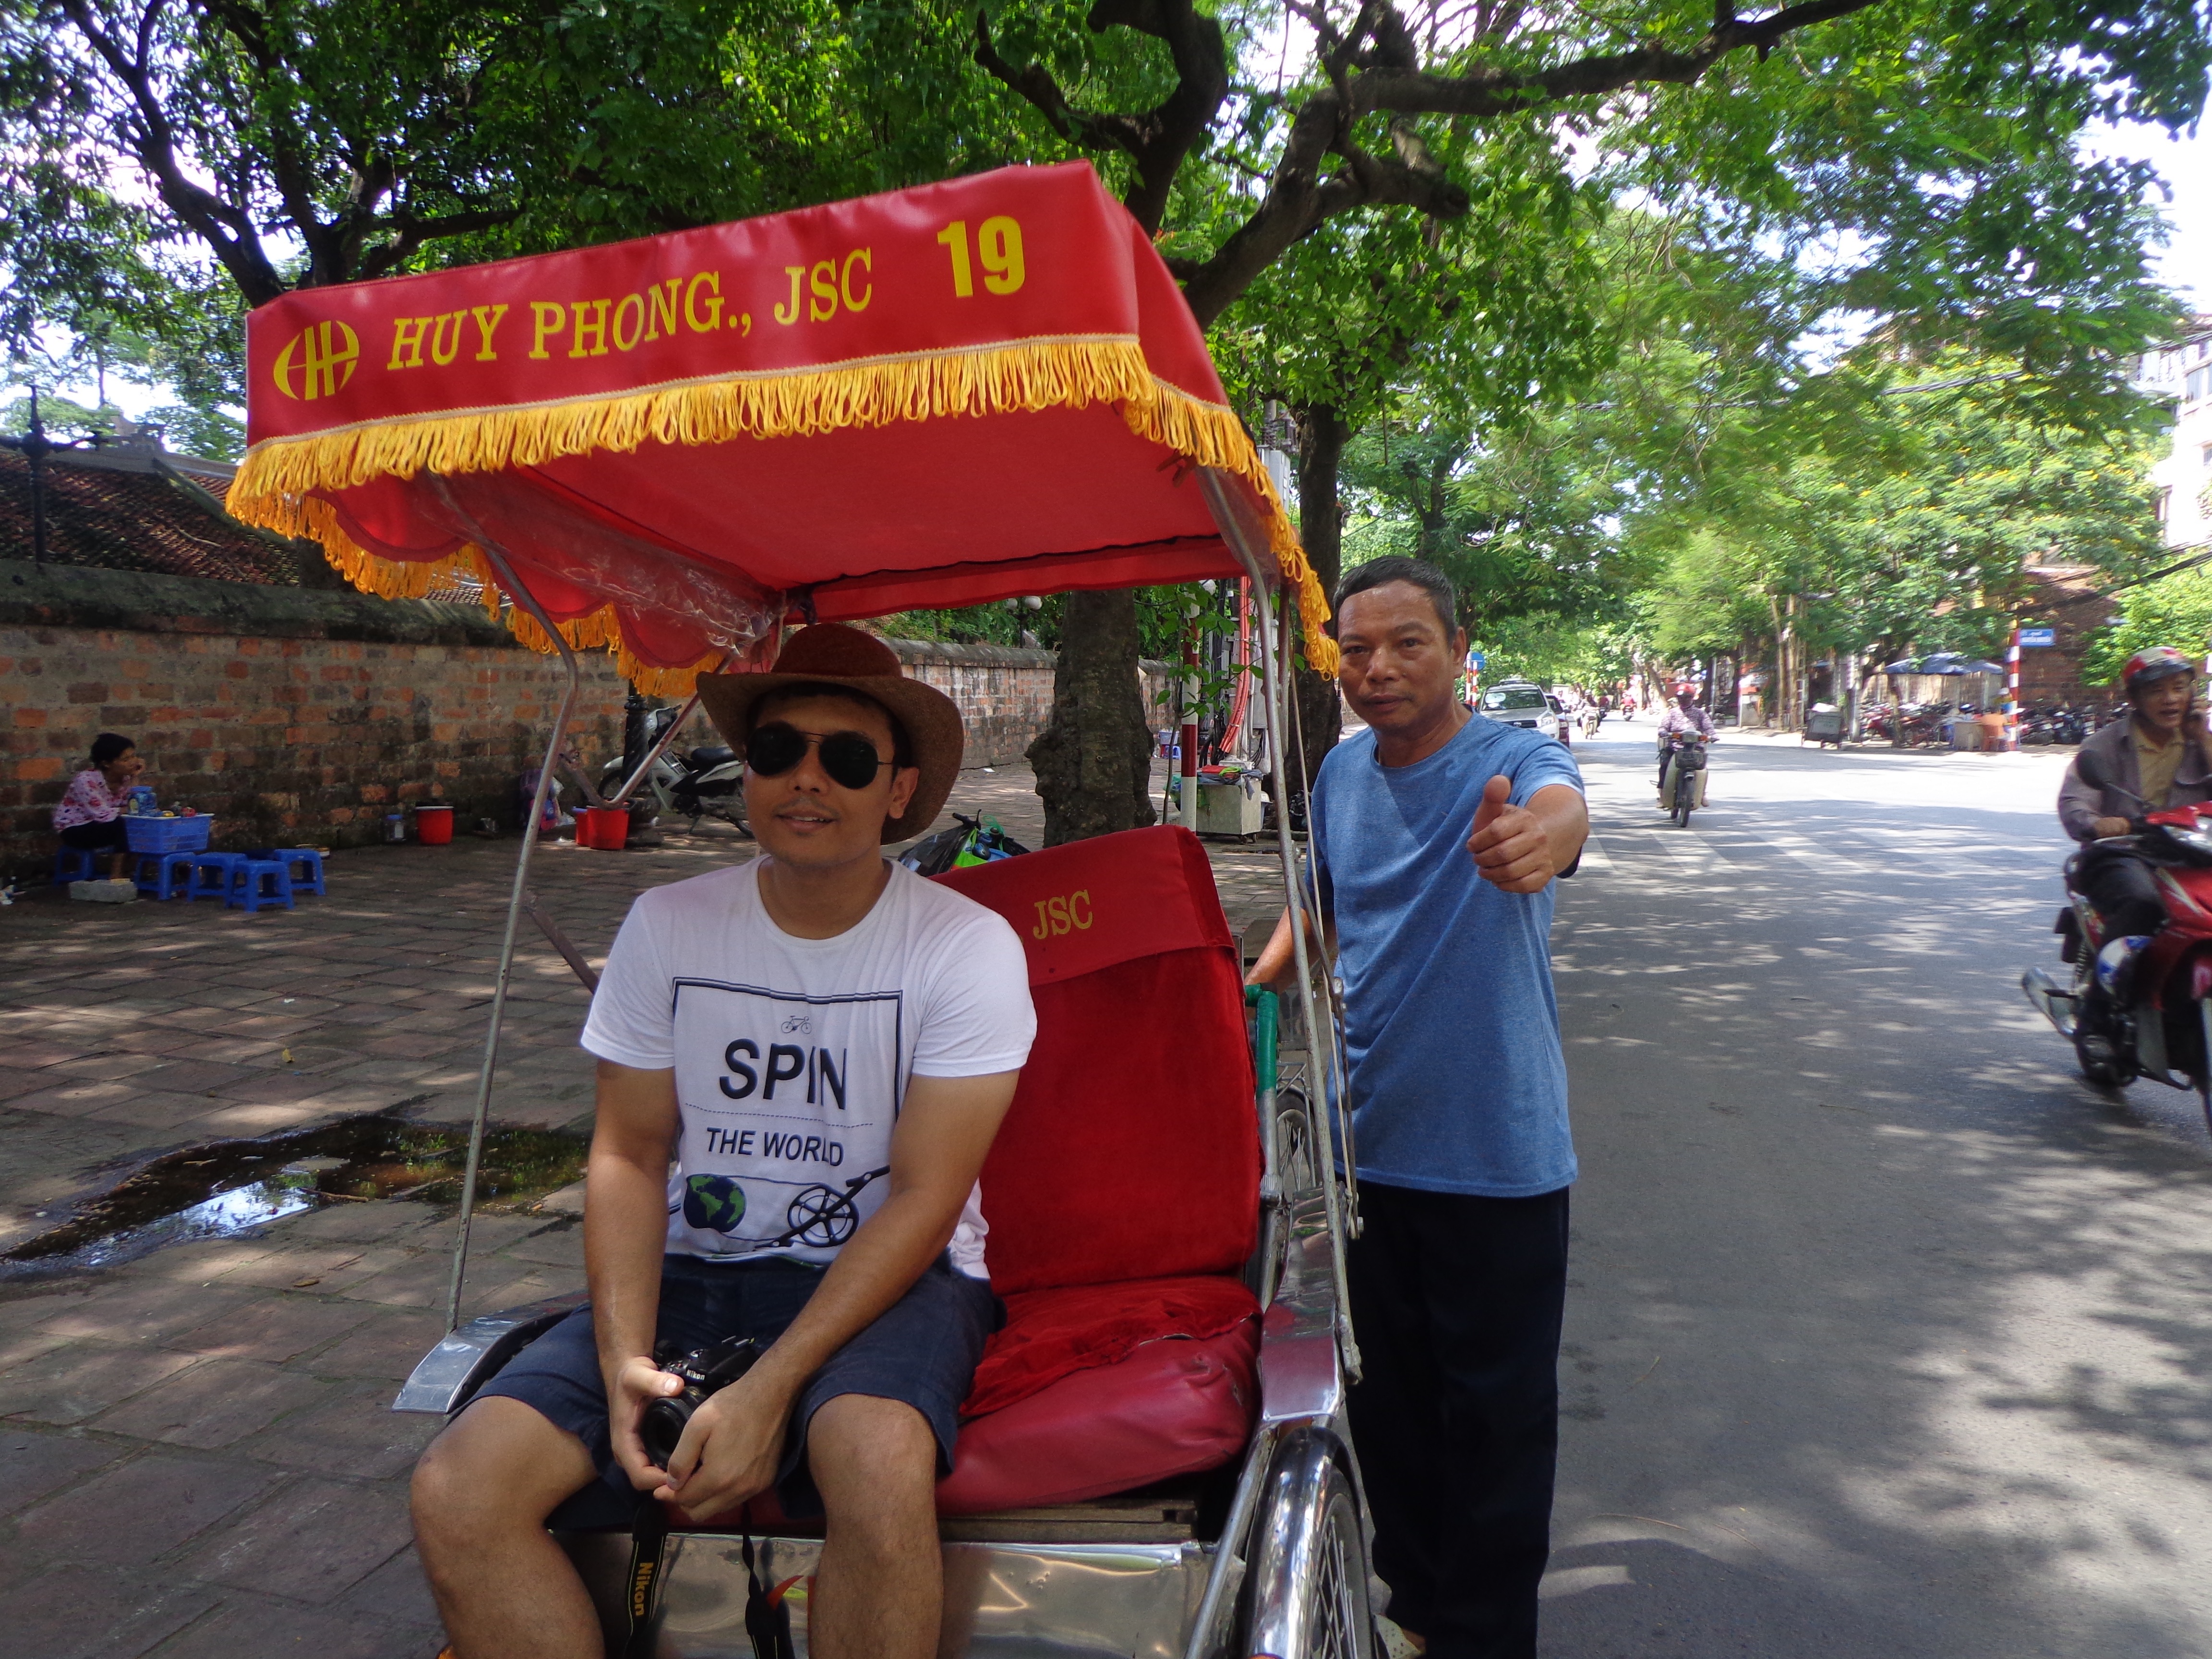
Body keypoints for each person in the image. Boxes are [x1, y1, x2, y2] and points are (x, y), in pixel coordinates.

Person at [411, 625, 1037, 1659]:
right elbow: (628, 1154)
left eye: (844, 759)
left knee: (874, 1458)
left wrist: (771, 1387)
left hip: (888, 1270)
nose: (806, 780)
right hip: (697, 1265)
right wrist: (625, 1367)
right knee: (458, 1487)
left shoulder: (964, 947)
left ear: (897, 790)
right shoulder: (669, 926)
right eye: (778, 750)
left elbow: (927, 1197)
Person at [1248, 554, 1588, 1659]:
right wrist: (1228, 994)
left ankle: (1486, 1638)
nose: (1379, 667)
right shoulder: (1341, 777)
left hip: (1498, 1159)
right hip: (1369, 1152)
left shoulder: (1513, 759)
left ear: (1457, 650)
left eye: (1407, 643)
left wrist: (1540, 843)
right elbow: (1320, 915)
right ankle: (1414, 1613)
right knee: (1391, 1413)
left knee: (1494, 1430)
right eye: (1356, 649)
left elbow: (1559, 810)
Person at [2057, 646, 2212, 1000]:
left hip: (2193, 854)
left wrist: (2202, 739)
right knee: (2142, 904)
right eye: (2157, 691)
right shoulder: (2105, 745)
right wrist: (2099, 824)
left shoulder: (2202, 741)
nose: (2170, 699)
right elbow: (2075, 801)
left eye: (2179, 687)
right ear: (2135, 699)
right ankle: (2100, 1008)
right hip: (2124, 852)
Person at [53, 733, 144, 879]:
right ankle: (116, 876)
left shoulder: (125, 779)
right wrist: (135, 809)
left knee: (140, 824)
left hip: (105, 825)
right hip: (76, 828)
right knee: (121, 825)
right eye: (126, 759)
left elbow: (134, 803)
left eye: (134, 756)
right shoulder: (85, 781)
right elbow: (103, 814)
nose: (133, 762)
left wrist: (135, 777)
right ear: (106, 763)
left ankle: (136, 873)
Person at [1654, 688, 1716, 794]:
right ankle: (1662, 793)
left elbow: (1709, 727)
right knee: (1665, 765)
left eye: (1687, 697)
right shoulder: (1672, 713)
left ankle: (1702, 794)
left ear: (1692, 698)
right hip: (1675, 746)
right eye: (1681, 698)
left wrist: (1713, 735)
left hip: (1695, 747)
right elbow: (1663, 727)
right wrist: (1664, 732)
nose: (1684, 700)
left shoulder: (1700, 714)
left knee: (1703, 770)